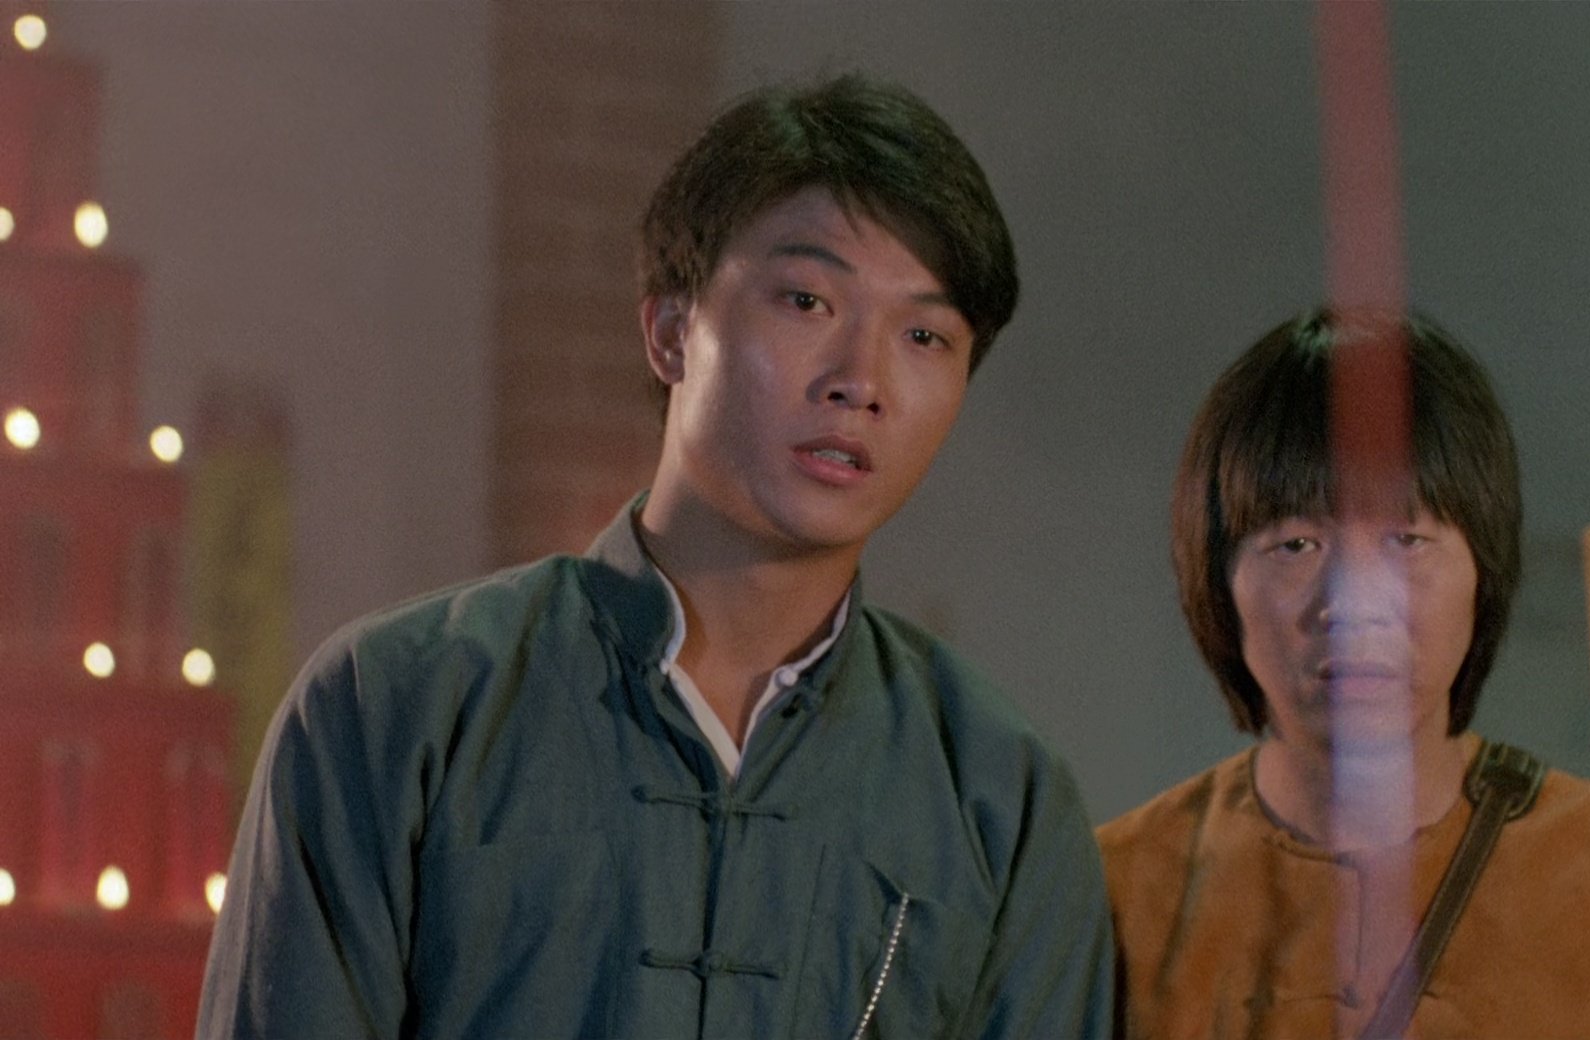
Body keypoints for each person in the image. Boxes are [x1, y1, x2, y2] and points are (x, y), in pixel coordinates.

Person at [198, 74, 1113, 1040]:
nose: (861, 380)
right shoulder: (399, 707)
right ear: (672, 331)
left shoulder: (999, 799)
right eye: (807, 300)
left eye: (925, 335)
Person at [1098, 308, 1590, 1038]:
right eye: (1296, 544)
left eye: (1407, 539)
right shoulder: (1111, 900)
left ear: (1483, 571)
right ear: (1216, 582)